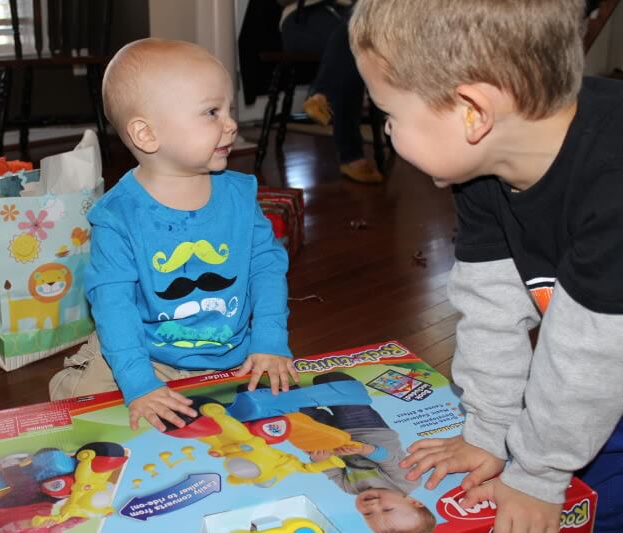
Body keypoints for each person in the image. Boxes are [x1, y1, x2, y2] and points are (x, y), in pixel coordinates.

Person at [349, 1, 623, 532]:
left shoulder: (613, 181)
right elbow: (490, 307)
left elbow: (586, 357)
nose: (387, 133)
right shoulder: (485, 168)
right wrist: (489, 428)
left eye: (390, 116)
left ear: (472, 112)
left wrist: (539, 476)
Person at [49, 39, 298, 433]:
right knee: (76, 402)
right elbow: (113, 304)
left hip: (233, 350)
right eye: (212, 112)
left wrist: (268, 339)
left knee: (283, 393)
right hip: (146, 352)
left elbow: (267, 267)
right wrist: (139, 383)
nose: (231, 124)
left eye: (229, 109)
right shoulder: (116, 217)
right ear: (147, 135)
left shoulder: (240, 194)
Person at [303, 372, 435, 532]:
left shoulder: (351, 488)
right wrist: (363, 449)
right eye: (387, 509)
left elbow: (333, 472)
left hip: (333, 440)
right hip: (367, 429)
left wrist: (321, 459)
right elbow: (388, 459)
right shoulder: (407, 482)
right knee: (344, 398)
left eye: (368, 514)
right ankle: (337, 383)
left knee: (301, 418)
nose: (372, 506)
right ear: (413, 502)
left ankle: (287, 395)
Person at [279, 0, 383, 184]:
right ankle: (351, 156)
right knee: (352, 41)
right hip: (301, 19)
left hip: (349, 18)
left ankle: (321, 93)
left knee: (355, 34)